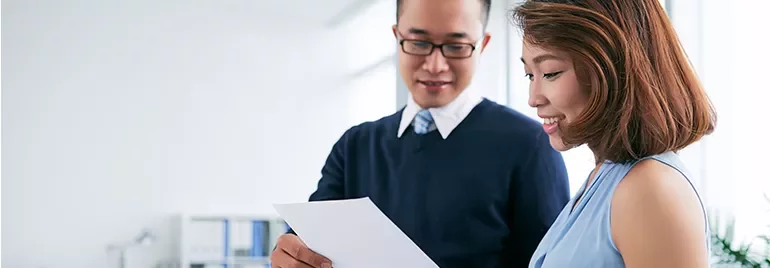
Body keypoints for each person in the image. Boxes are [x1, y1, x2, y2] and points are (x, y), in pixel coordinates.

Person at [269, 0, 571, 267]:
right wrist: (292, 256)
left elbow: (551, 262)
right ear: (397, 37)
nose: (435, 65)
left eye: (456, 47)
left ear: (482, 45)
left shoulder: (529, 144)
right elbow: (308, 242)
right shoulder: (355, 146)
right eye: (418, 42)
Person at [509, 0, 718, 267]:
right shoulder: (606, 176)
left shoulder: (649, 190)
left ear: (610, 69)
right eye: (530, 75)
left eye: (550, 73)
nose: (533, 98)